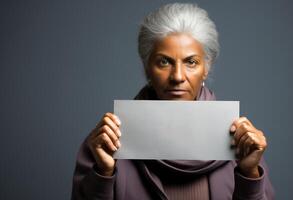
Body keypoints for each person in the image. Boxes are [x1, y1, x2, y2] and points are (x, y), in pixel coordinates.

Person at [71, 3, 274, 200]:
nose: (177, 76)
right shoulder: (107, 141)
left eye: (191, 62)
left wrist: (249, 174)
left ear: (207, 67)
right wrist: (103, 174)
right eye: (164, 61)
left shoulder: (242, 142)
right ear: (146, 67)